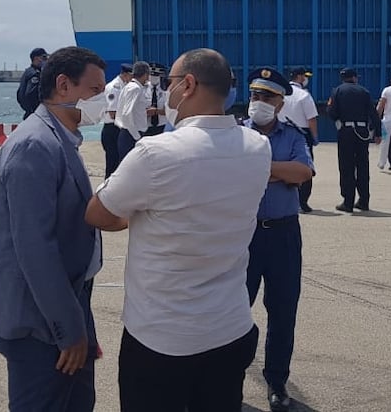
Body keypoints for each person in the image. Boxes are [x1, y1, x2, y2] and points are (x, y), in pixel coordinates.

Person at [86, 49, 269, 412]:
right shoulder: (257, 147)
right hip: (230, 328)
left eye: (168, 82)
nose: (163, 90)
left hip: (162, 338)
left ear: (188, 84)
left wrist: (136, 217)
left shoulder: (155, 153)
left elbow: (97, 214)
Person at [0, 46, 108, 412]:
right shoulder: (35, 145)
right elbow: (35, 249)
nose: (102, 101)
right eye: (94, 91)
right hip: (39, 320)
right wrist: (69, 329)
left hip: (65, 306)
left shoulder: (60, 138)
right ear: (63, 85)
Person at [243, 67, 314, 412]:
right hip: (243, 234)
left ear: (281, 102)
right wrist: (278, 171)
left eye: (267, 97)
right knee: (235, 309)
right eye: (255, 95)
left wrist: (259, 168)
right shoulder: (236, 134)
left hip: (284, 233)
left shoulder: (293, 136)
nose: (258, 102)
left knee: (283, 310)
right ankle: (229, 375)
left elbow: (302, 172)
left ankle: (276, 381)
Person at [327, 68, 381, 212]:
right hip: (362, 132)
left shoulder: (337, 91)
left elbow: (331, 111)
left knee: (346, 167)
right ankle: (364, 200)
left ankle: (348, 202)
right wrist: (378, 133)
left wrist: (337, 119)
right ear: (355, 78)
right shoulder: (364, 92)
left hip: (346, 131)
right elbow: (373, 113)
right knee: (363, 166)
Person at [282, 67, 319, 212]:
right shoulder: (304, 95)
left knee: (284, 166)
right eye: (305, 76)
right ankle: (303, 202)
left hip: (282, 132)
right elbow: (312, 119)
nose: (306, 79)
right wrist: (314, 136)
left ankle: (286, 200)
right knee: (305, 168)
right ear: (299, 77)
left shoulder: (282, 94)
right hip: (302, 134)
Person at [114, 61, 155, 161]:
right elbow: (127, 114)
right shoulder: (135, 88)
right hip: (131, 134)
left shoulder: (130, 86)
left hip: (129, 133)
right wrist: (137, 137)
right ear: (145, 75)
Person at [100, 62, 134, 178]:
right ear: (125, 74)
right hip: (112, 129)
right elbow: (112, 113)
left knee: (120, 163)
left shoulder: (124, 85)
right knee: (112, 164)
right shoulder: (114, 88)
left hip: (119, 127)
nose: (132, 79)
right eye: (131, 76)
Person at [16, 47, 48, 119]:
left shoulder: (28, 72)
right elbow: (30, 94)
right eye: (44, 58)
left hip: (31, 114)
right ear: (36, 59)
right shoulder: (34, 74)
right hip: (35, 115)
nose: (46, 60)